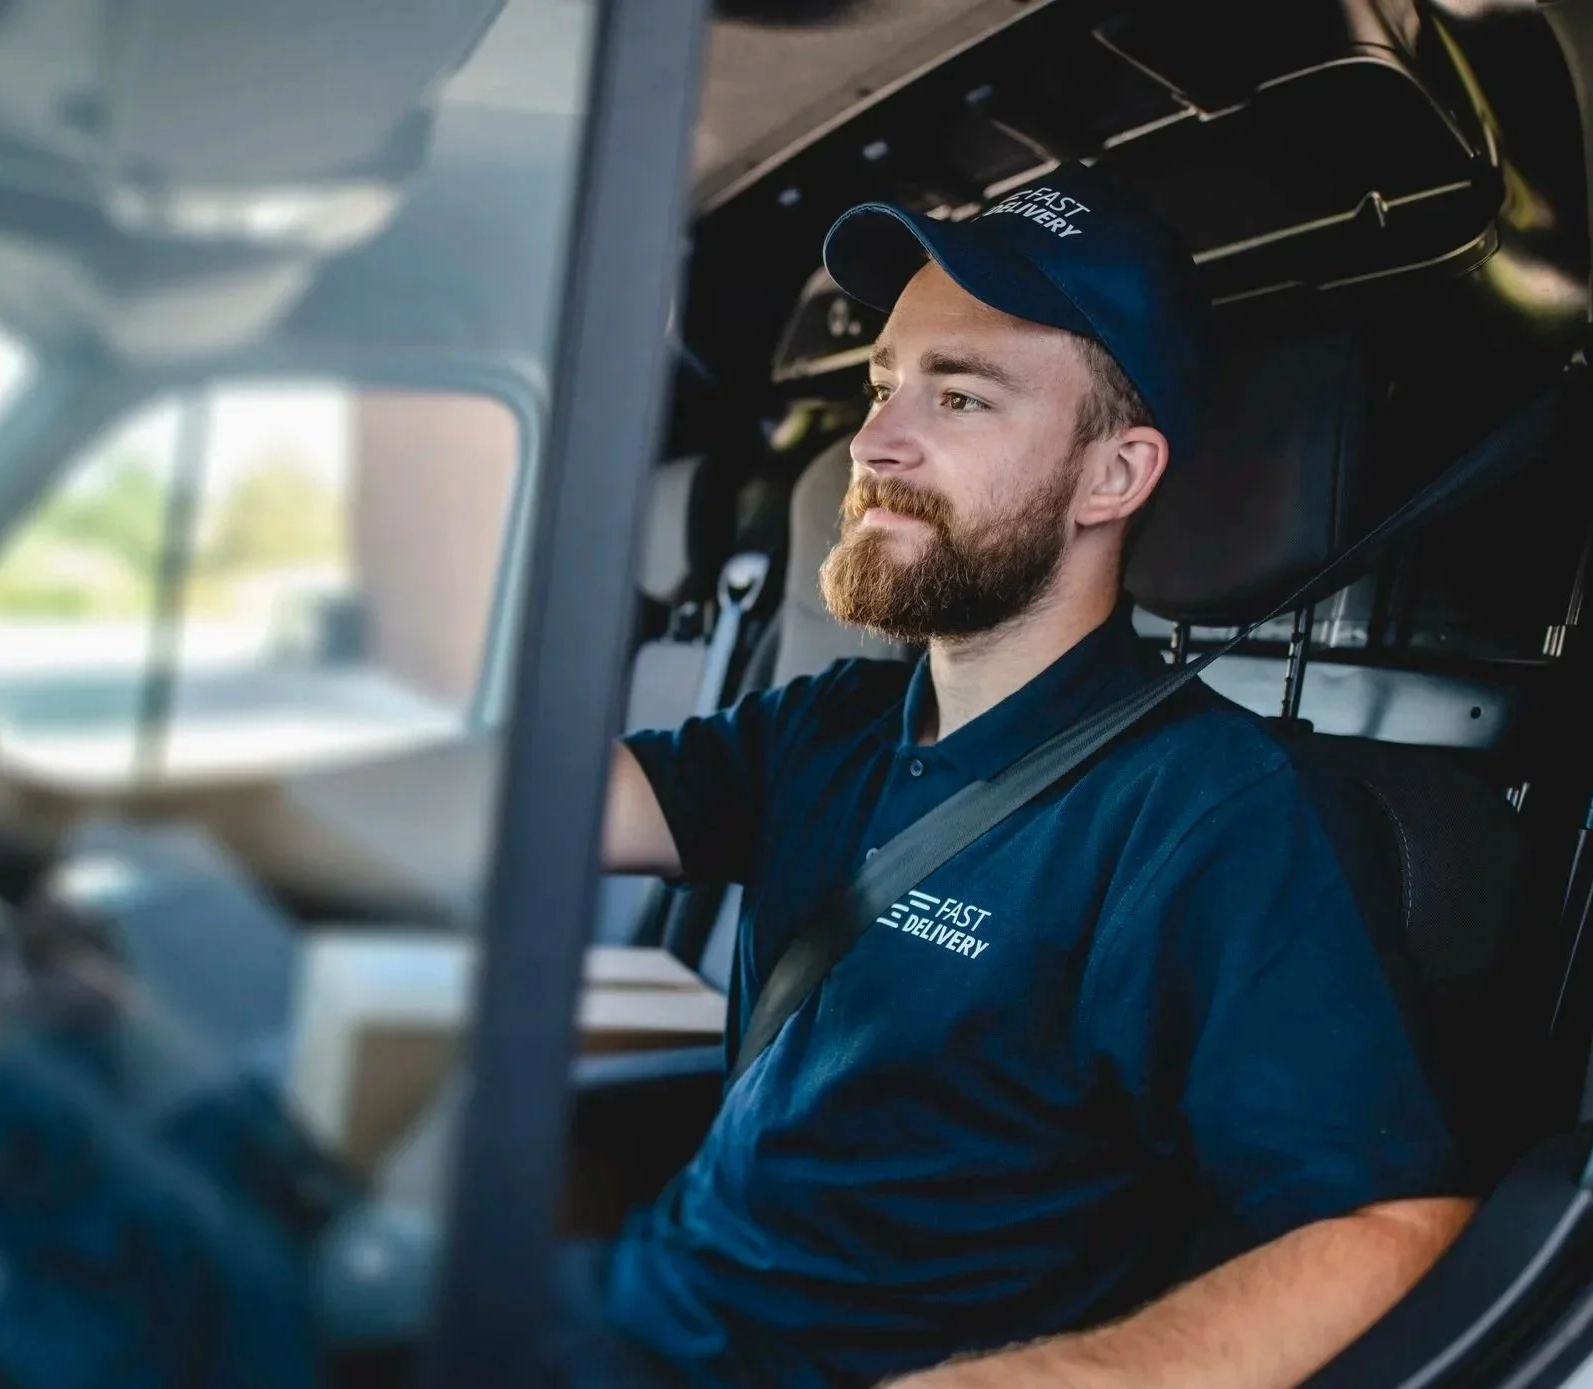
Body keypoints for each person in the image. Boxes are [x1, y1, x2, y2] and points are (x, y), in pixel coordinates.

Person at [593, 165, 1475, 1388]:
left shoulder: (1211, 811)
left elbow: (1393, 1230)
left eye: (959, 398)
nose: (875, 441)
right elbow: (548, 814)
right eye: (884, 383)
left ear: (1112, 477)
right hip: (617, 1320)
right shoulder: (833, 723)